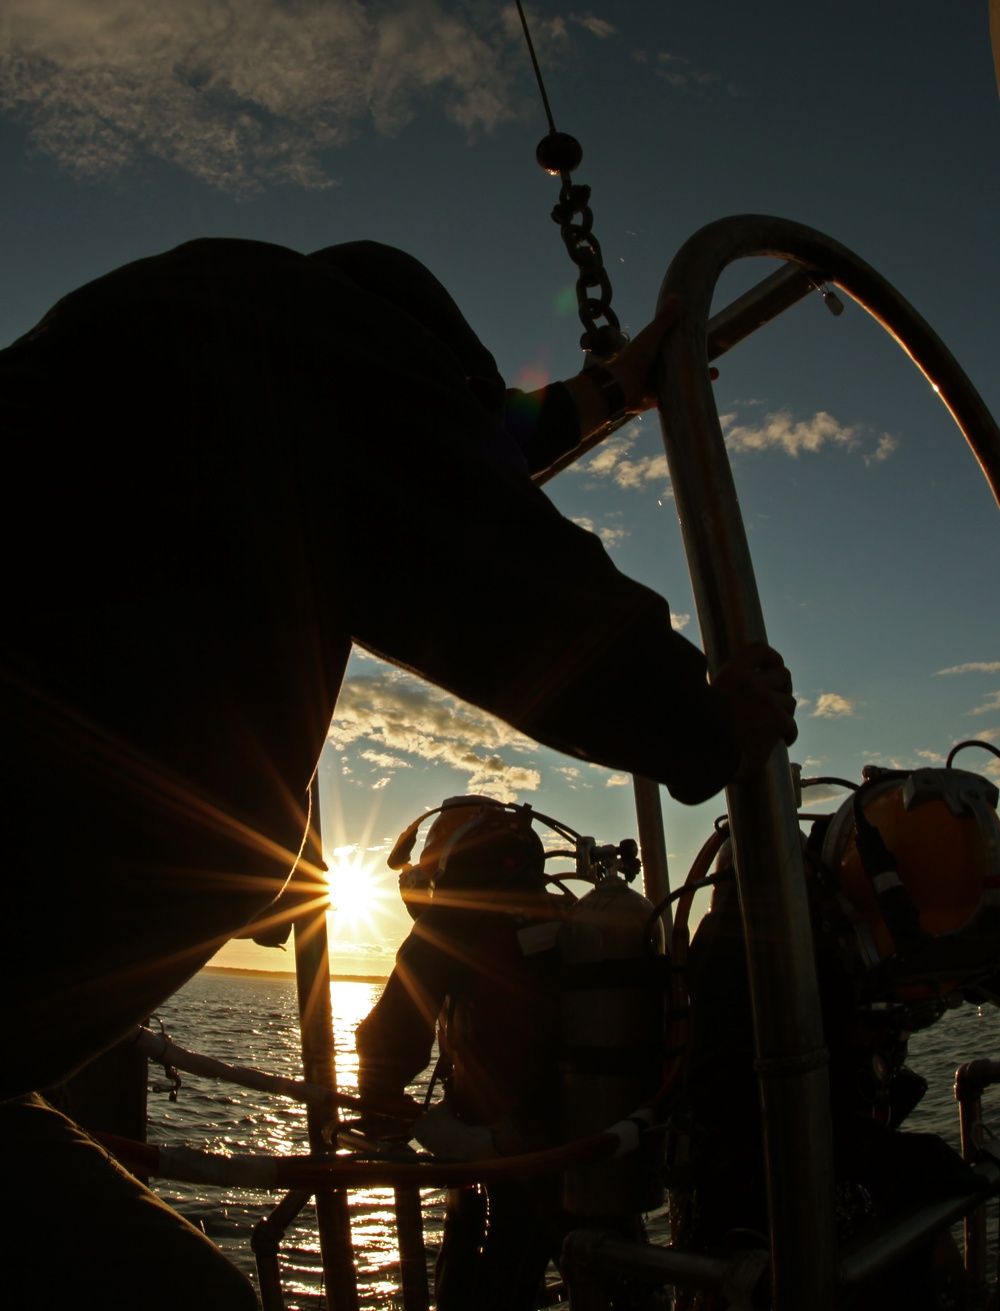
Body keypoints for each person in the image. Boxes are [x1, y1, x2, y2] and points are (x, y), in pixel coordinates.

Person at [1, 238, 797, 1303]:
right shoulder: (305, 342)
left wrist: (614, 385)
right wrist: (704, 724)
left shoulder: (165, 366)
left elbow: (468, 453)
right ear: (420, 361)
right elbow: (487, 550)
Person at [355, 796, 573, 1311]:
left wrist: (379, 1102)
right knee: (587, 1261)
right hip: (584, 1132)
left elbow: (391, 1029)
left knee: (500, 1275)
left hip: (511, 1144)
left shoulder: (456, 918)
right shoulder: (553, 910)